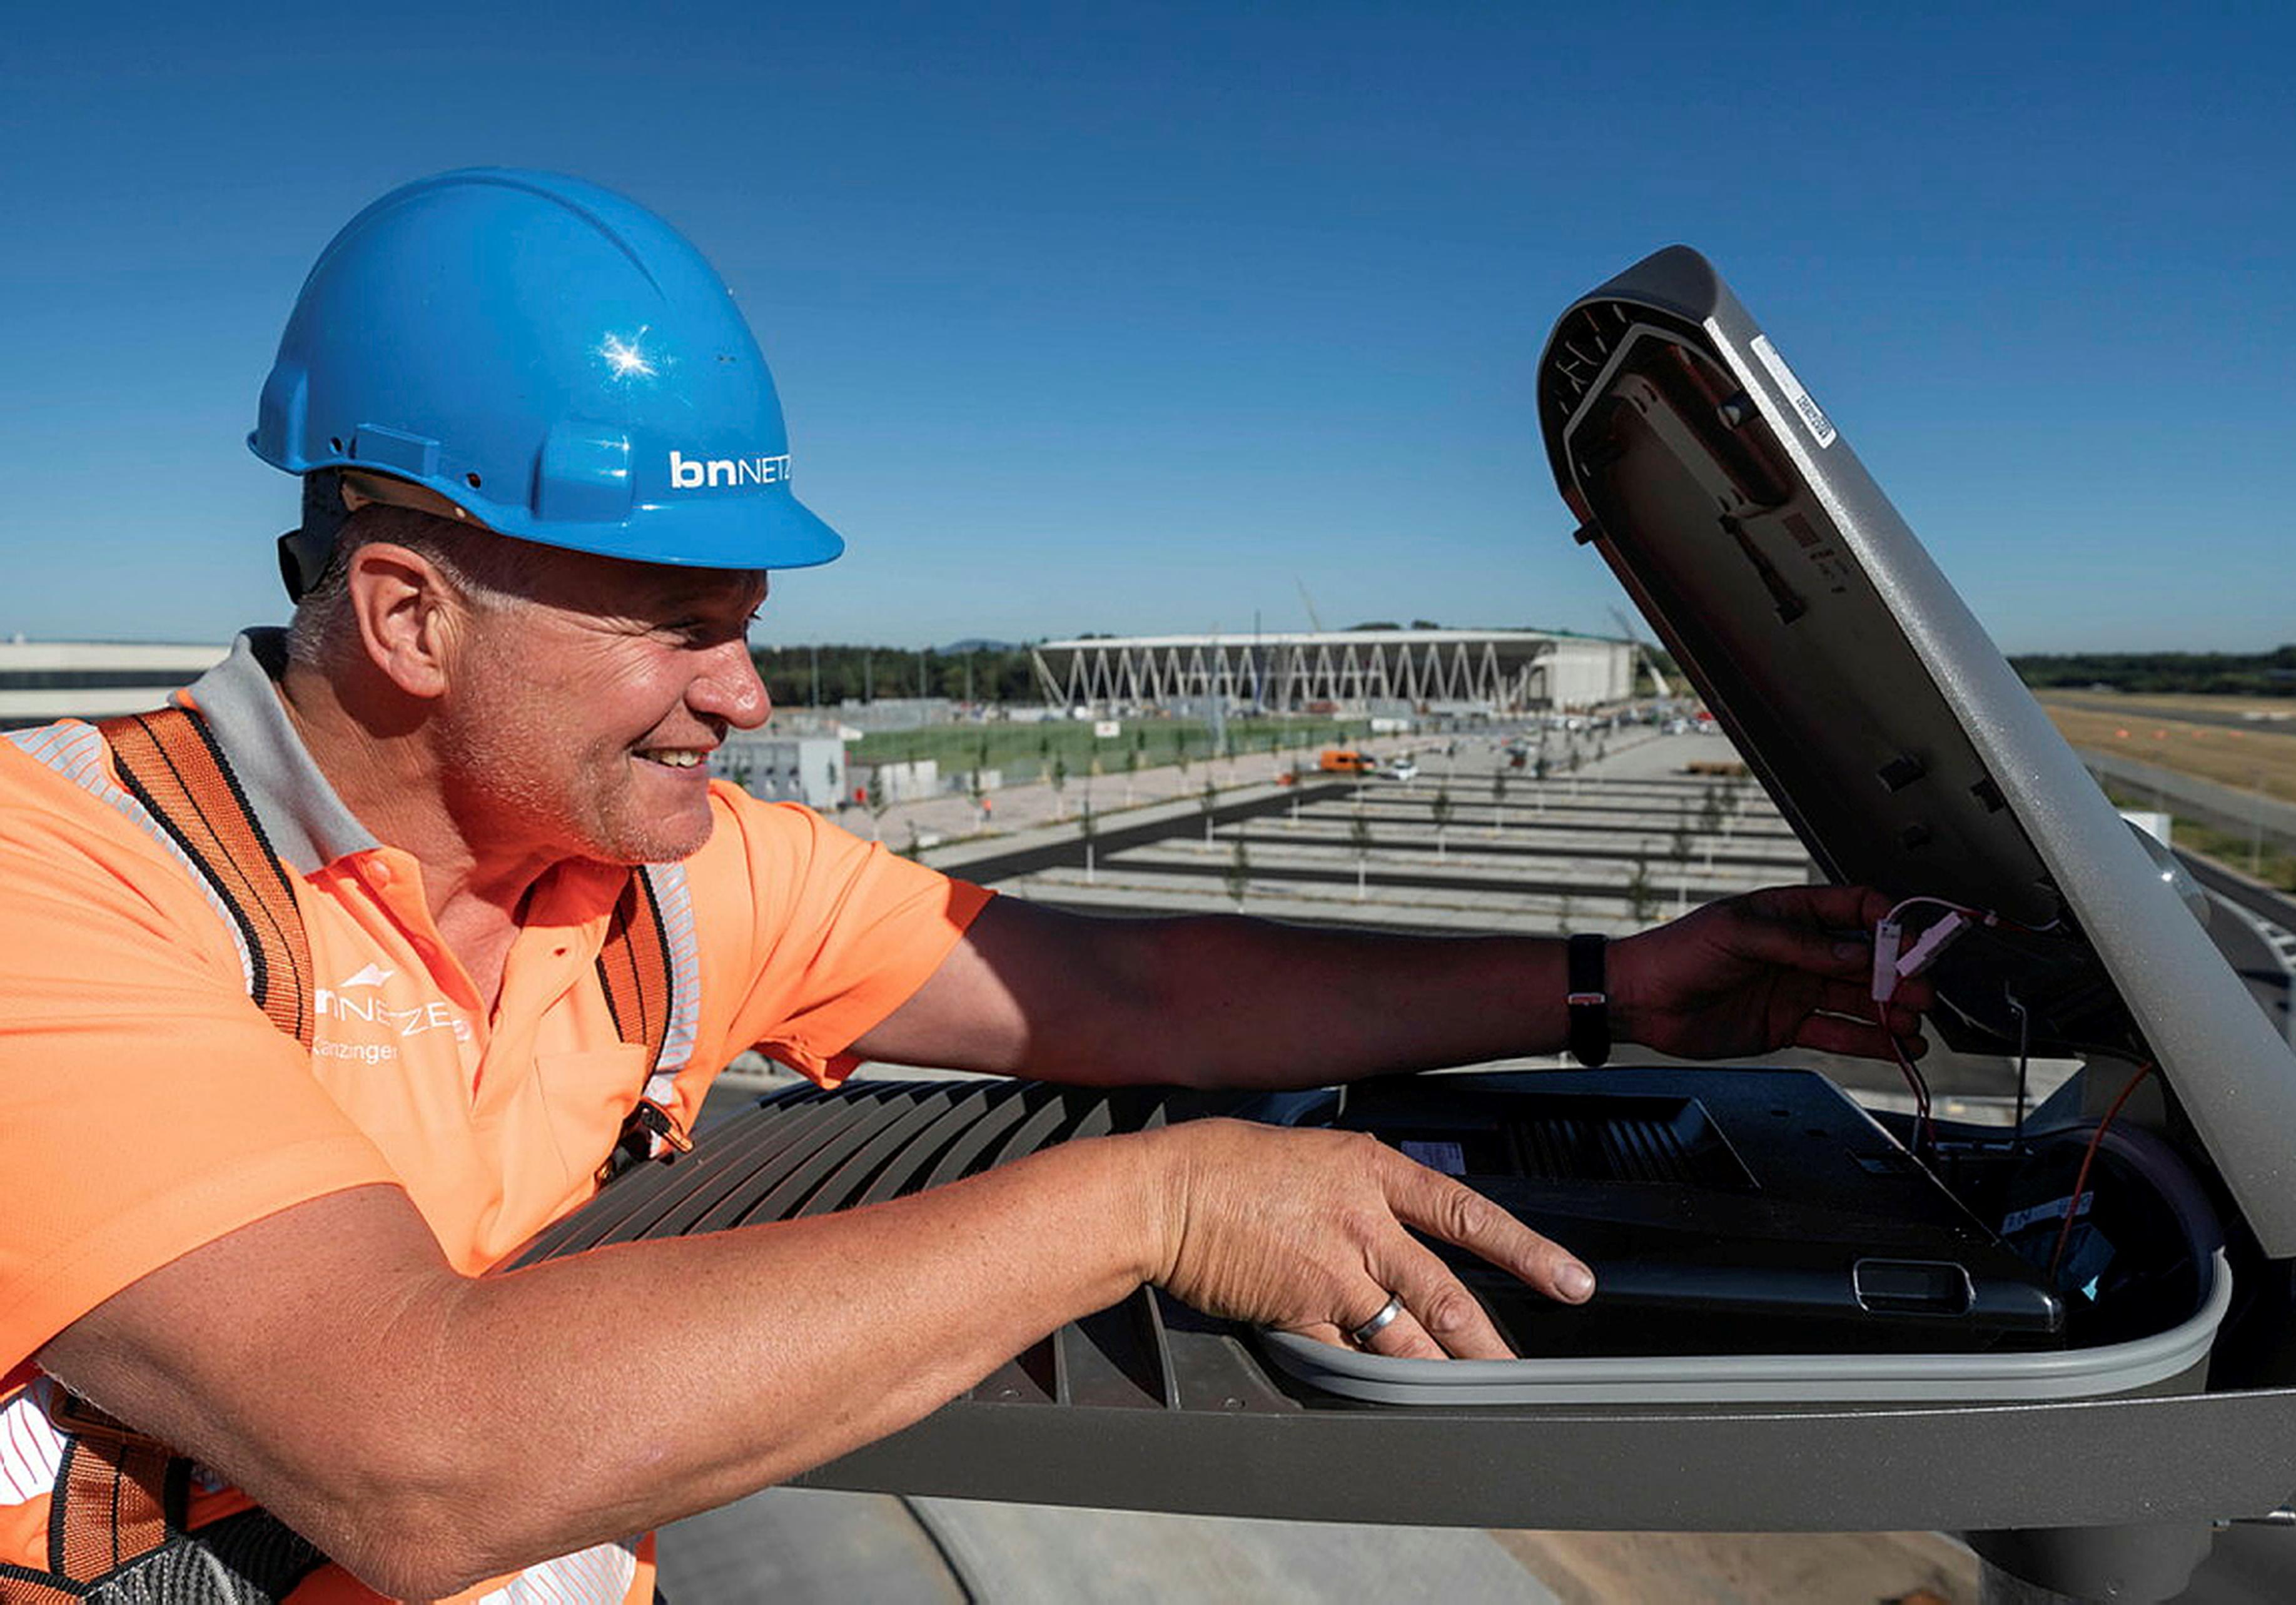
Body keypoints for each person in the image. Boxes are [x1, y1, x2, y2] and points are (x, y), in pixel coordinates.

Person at [0, 170, 1929, 1605]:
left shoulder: (654, 885)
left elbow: (1124, 995)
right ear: (412, 614)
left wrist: (1625, 987)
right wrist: (1150, 1199)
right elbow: (416, 1458)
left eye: (747, 628)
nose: (745, 696)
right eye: (681, 629)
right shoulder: (71, 886)